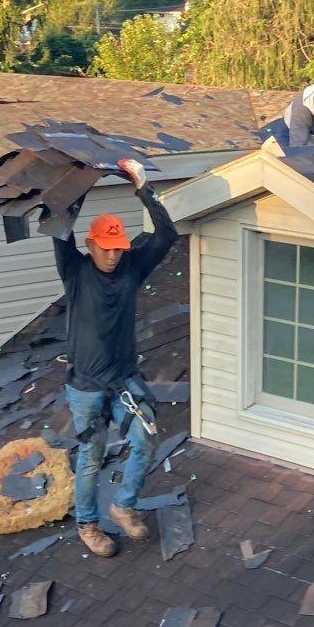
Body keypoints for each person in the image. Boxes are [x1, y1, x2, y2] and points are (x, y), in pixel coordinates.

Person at [53, 158, 178, 557]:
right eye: (105, 249)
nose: (112, 256)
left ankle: (123, 506)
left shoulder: (132, 267)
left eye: (118, 249)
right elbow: (59, 222)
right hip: (86, 388)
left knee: (147, 438)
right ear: (91, 245)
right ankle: (88, 525)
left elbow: (168, 234)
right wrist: (83, 177)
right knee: (90, 459)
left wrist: (142, 186)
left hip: (124, 380)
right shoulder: (74, 270)